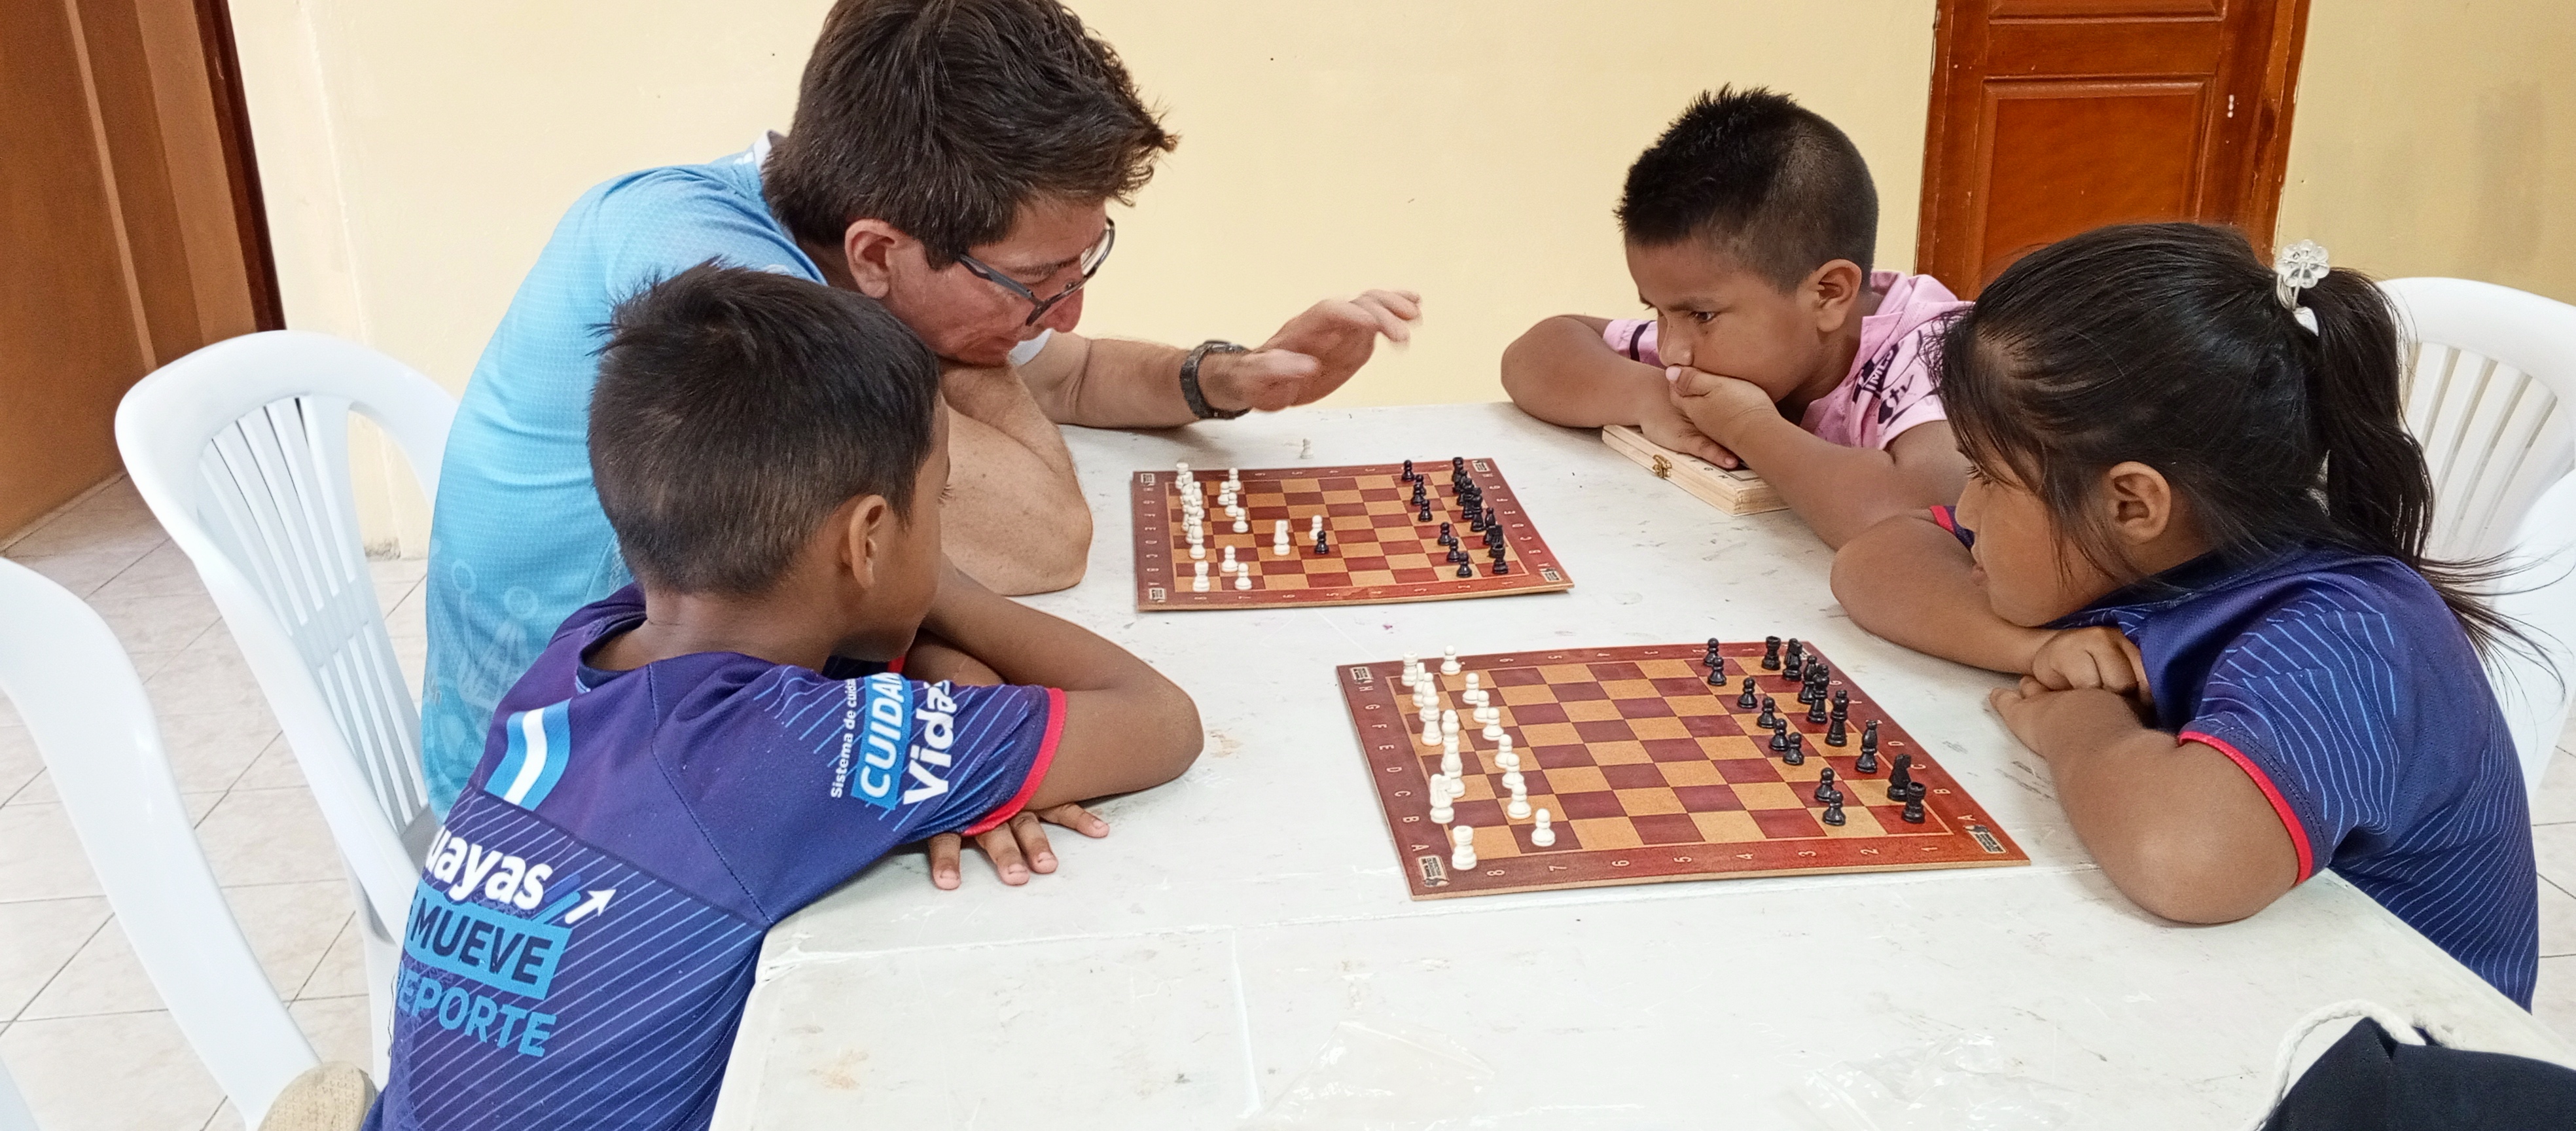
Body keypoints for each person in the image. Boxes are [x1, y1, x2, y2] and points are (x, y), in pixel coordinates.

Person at [421, 0, 1414, 816]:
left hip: (728, 708)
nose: (1068, 307)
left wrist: (1223, 378)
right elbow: (1044, 540)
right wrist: (963, 353)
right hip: (575, 787)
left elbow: (1063, 371)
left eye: (1085, 261)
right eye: (1037, 278)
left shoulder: (862, 240)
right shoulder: (728, 290)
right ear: (875, 256)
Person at [367, 264, 1201, 1130]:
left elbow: (858, 662)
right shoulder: (791, 750)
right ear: (866, 540)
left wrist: (957, 697)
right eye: (940, 504)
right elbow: (1159, 719)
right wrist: (952, 594)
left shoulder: (589, 645)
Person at [1832, 223, 2537, 1005]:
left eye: (1989, 478)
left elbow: (2188, 862)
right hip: (2230, 990)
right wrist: (2035, 649)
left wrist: (2082, 725)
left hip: (2398, 1050)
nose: (1967, 508)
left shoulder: (2343, 632)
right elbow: (1873, 562)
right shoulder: (2140, 544)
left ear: (2134, 502)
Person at [1500, 87, 1969, 548]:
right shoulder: (1716, 341)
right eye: (1657, 312)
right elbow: (1535, 354)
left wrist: (1745, 426)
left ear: (1828, 295)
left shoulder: (1940, 354)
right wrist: (1652, 397)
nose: (1671, 349)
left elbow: (1912, 513)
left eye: (1701, 315)